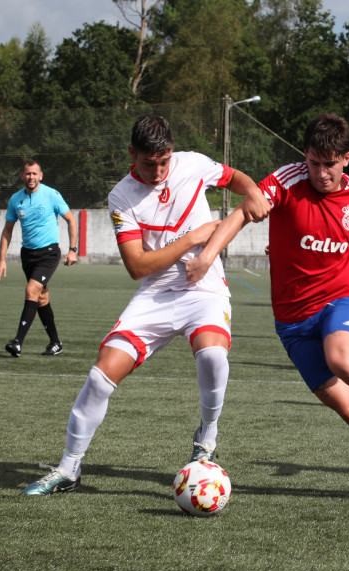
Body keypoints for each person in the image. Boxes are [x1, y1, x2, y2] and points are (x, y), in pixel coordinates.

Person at [187, 113, 349, 501]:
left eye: (329, 164)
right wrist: (208, 256)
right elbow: (242, 212)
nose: (321, 173)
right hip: (291, 321)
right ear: (304, 156)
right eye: (313, 162)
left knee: (343, 360)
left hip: (337, 298)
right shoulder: (285, 181)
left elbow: (328, 233)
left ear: (346, 159)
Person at [21, 116, 270, 495]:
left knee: (213, 357)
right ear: (131, 154)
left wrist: (251, 189)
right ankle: (69, 468)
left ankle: (206, 436)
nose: (158, 171)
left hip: (204, 288)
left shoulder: (192, 163)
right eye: (149, 163)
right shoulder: (121, 196)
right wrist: (192, 239)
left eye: (164, 162)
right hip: (156, 293)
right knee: (100, 375)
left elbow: (235, 177)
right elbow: (138, 266)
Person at [0, 160, 78, 357]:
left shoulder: (51, 195)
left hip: (48, 254)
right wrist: (1, 259)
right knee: (41, 298)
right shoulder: (16, 199)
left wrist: (73, 249)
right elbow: (7, 230)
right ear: (22, 176)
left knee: (31, 290)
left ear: (41, 175)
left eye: (34, 173)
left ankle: (17, 342)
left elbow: (71, 220)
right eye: (27, 173)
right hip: (28, 255)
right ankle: (56, 343)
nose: (31, 177)